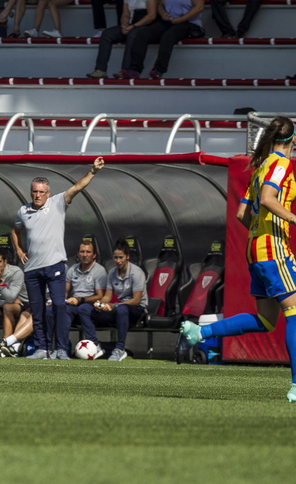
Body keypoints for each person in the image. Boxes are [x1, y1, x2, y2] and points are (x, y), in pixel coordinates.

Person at [178, 116, 296, 402]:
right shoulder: (281, 164)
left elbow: (242, 214)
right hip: (272, 248)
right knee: (295, 313)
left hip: (257, 248)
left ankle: (200, 332)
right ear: (292, 140)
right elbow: (268, 199)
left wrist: (259, 232)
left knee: (267, 320)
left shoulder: (260, 167)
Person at [11, 157, 105, 359]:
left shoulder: (58, 202)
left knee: (60, 306)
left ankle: (61, 348)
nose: (37, 195)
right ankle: (42, 348)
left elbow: (78, 186)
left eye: (41, 192)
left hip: (54, 265)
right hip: (32, 269)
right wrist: (19, 250)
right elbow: (15, 230)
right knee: (37, 310)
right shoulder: (23, 210)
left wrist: (93, 171)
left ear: (48, 193)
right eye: (34, 191)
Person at [92, 238, 148, 361]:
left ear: (127, 256)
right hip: (121, 308)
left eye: (121, 257)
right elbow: (108, 295)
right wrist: (100, 303)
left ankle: (119, 349)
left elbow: (137, 300)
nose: (118, 261)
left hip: (137, 310)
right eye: (115, 257)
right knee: (90, 311)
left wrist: (114, 305)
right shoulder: (112, 272)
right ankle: (95, 345)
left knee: (121, 309)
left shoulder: (136, 273)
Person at [118, 0, 205, 79]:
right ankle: (135, 69)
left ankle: (159, 70)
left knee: (168, 36)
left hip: (189, 22)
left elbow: (199, 7)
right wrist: (163, 13)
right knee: (143, 34)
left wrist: (181, 19)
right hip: (170, 21)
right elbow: (160, 4)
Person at [56, 240, 108, 359]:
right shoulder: (72, 269)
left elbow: (101, 295)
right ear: (78, 254)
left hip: (91, 304)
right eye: (82, 251)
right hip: (75, 303)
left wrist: (80, 299)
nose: (85, 255)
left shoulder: (99, 270)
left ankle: (95, 345)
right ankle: (62, 349)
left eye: (88, 252)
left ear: (94, 255)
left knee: (83, 308)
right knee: (63, 310)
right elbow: (66, 292)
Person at [86, 0, 157, 79]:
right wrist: (124, 25)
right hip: (130, 24)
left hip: (144, 25)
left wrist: (133, 26)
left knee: (132, 35)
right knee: (107, 34)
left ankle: (125, 70)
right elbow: (125, 14)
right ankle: (100, 70)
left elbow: (151, 16)